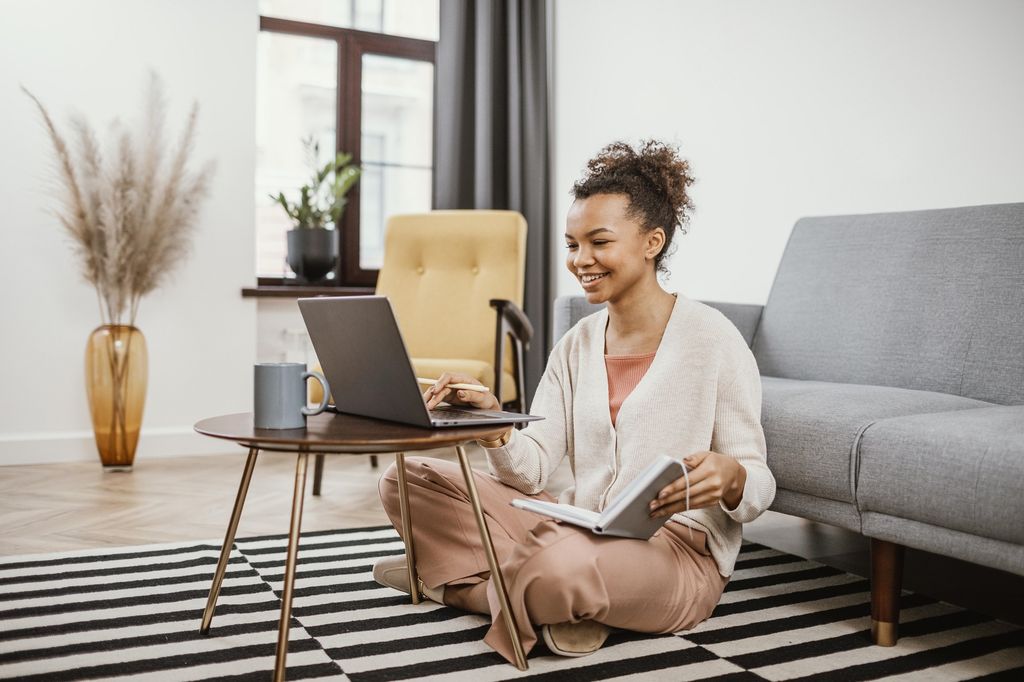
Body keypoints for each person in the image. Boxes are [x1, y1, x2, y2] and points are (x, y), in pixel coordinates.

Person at [373, 140, 776, 663]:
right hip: (574, 525)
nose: (580, 260)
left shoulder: (714, 339)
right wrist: (496, 427)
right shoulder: (577, 344)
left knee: (559, 566)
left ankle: (456, 585)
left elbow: (759, 483)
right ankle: (541, 599)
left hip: (675, 554)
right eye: (572, 245)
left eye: (599, 242)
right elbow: (532, 471)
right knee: (405, 480)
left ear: (652, 242)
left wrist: (733, 478)